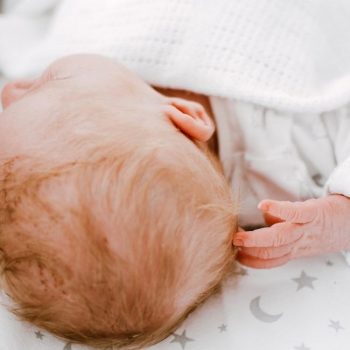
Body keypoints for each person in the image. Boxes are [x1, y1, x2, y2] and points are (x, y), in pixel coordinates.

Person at [0, 54, 238, 349]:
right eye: (51, 83)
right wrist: (315, 224)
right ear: (185, 114)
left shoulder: (116, 99)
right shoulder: (277, 169)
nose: (8, 91)